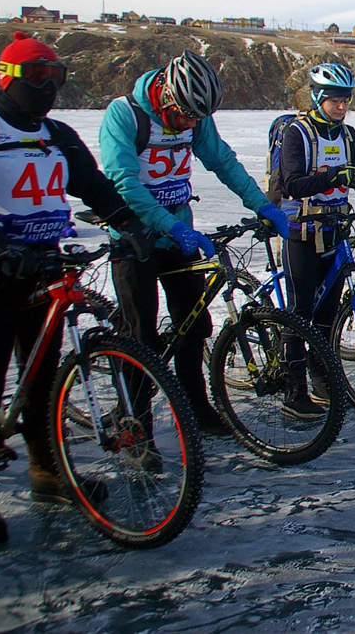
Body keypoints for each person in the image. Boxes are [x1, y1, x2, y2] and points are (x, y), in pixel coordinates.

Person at [0, 31, 152, 545]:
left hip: (45, 269)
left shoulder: (57, 134)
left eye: (57, 76)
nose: (48, 86)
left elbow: (94, 185)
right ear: (8, 79)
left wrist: (130, 225)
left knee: (44, 377)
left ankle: (47, 469)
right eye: (37, 76)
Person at [99, 50, 289, 435]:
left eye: (197, 118)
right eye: (186, 116)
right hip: (135, 239)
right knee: (142, 339)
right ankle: (137, 429)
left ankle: (197, 411)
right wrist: (170, 226)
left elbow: (222, 161)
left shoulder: (195, 117)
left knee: (194, 326)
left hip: (177, 236)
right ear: (167, 98)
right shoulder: (124, 115)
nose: (191, 124)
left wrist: (260, 204)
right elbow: (124, 183)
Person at [273, 63, 355, 417]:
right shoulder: (297, 133)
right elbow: (292, 182)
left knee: (327, 312)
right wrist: (332, 175)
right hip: (301, 232)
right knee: (300, 311)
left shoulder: (348, 134)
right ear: (317, 98)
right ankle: (293, 389)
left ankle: (322, 376)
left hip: (335, 230)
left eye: (345, 100)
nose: (341, 107)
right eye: (334, 101)